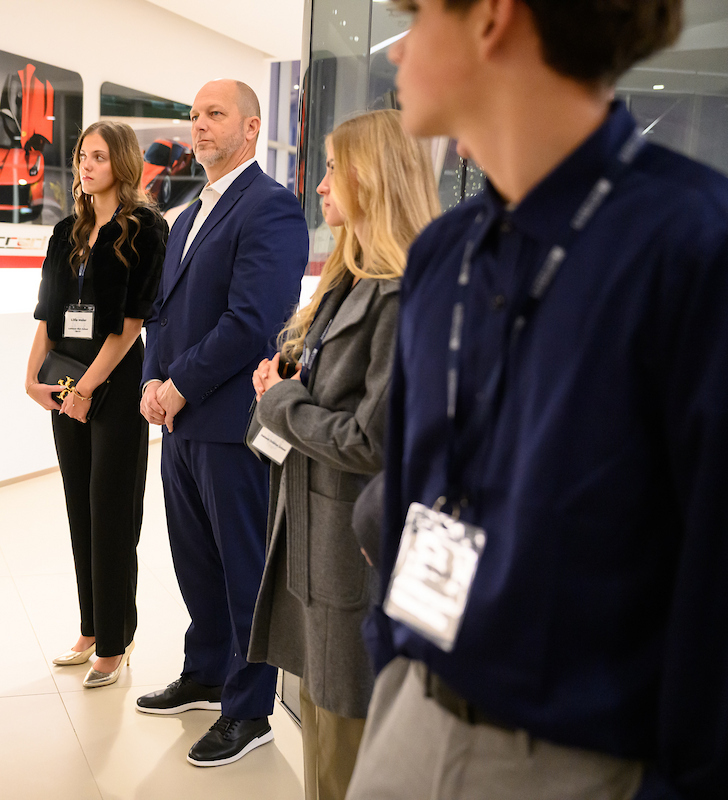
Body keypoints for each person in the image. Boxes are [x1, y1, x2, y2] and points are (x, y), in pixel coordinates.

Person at [348, 1, 728, 798]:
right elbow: (413, 481)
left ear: (491, 19)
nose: (396, 52)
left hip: (580, 762)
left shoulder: (692, 246)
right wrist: (391, 657)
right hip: (407, 716)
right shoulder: (441, 254)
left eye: (416, 15)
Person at [247, 110, 439, 800]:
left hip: (348, 555)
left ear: (372, 178)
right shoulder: (341, 283)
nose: (321, 186)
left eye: (332, 167)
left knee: (343, 752)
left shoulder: (400, 296)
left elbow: (372, 440)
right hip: (310, 539)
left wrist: (281, 403)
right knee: (324, 735)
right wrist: (282, 387)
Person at [136, 79, 309, 766]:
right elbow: (162, 314)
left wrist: (178, 383)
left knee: (243, 571)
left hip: (232, 422)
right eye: (195, 116)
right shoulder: (186, 214)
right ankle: (205, 670)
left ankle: (249, 709)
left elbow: (253, 322)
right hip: (180, 423)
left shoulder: (270, 208)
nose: (200, 126)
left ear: (251, 127)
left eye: (216, 115)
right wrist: (153, 379)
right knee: (195, 563)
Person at [25, 121, 167, 688]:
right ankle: (89, 627)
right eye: (83, 155)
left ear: (123, 164)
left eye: (99, 157)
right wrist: (33, 376)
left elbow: (131, 322)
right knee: (79, 507)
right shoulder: (67, 231)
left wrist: (89, 389)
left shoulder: (146, 229)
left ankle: (116, 638)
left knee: (112, 513)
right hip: (65, 378)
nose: (86, 166)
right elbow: (48, 311)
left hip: (116, 382)